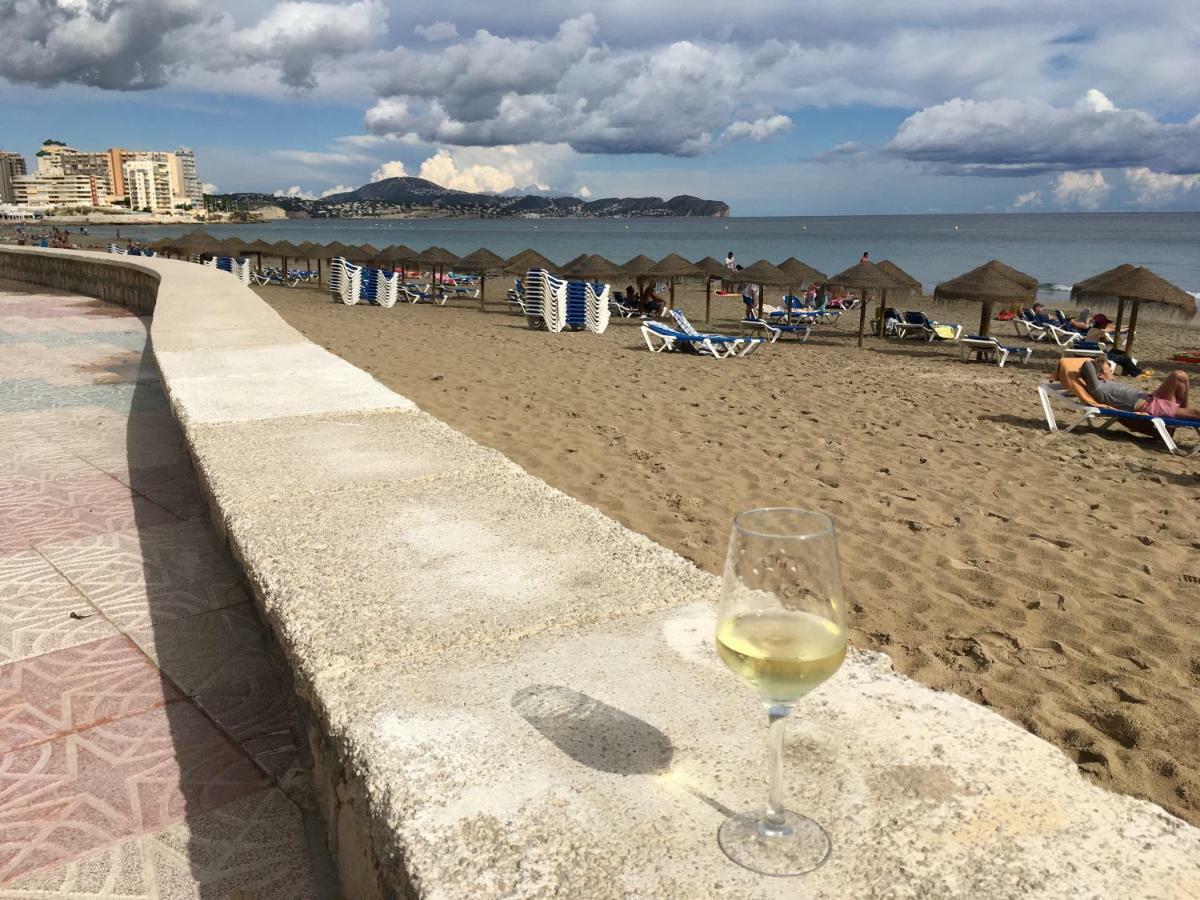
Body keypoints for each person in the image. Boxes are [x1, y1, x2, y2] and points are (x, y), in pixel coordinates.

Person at [1081, 359, 1197, 419]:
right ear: (1100, 375)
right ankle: (1183, 412)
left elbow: (1097, 363)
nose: (1112, 372)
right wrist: (1094, 362)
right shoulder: (1098, 388)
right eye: (1108, 371)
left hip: (1153, 397)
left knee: (1180, 376)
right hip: (1150, 407)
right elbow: (1087, 364)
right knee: (1195, 412)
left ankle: (1183, 410)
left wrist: (1101, 362)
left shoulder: (1109, 383)